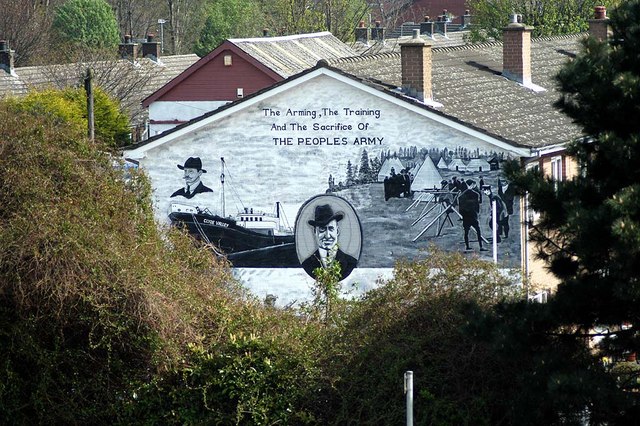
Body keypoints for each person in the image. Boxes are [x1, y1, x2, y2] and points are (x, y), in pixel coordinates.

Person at [301, 204, 358, 280]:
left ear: (337, 231)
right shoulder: (307, 264)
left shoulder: (351, 263)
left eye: (331, 229)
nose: (327, 236)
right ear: (315, 232)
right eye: (322, 229)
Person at [458, 179, 487, 251]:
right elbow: (477, 206)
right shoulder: (475, 194)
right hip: (473, 216)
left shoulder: (461, 196)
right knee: (478, 230)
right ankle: (481, 247)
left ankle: (467, 246)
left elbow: (460, 209)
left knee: (466, 232)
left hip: (466, 217)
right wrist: (476, 213)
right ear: (471, 185)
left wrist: (463, 215)